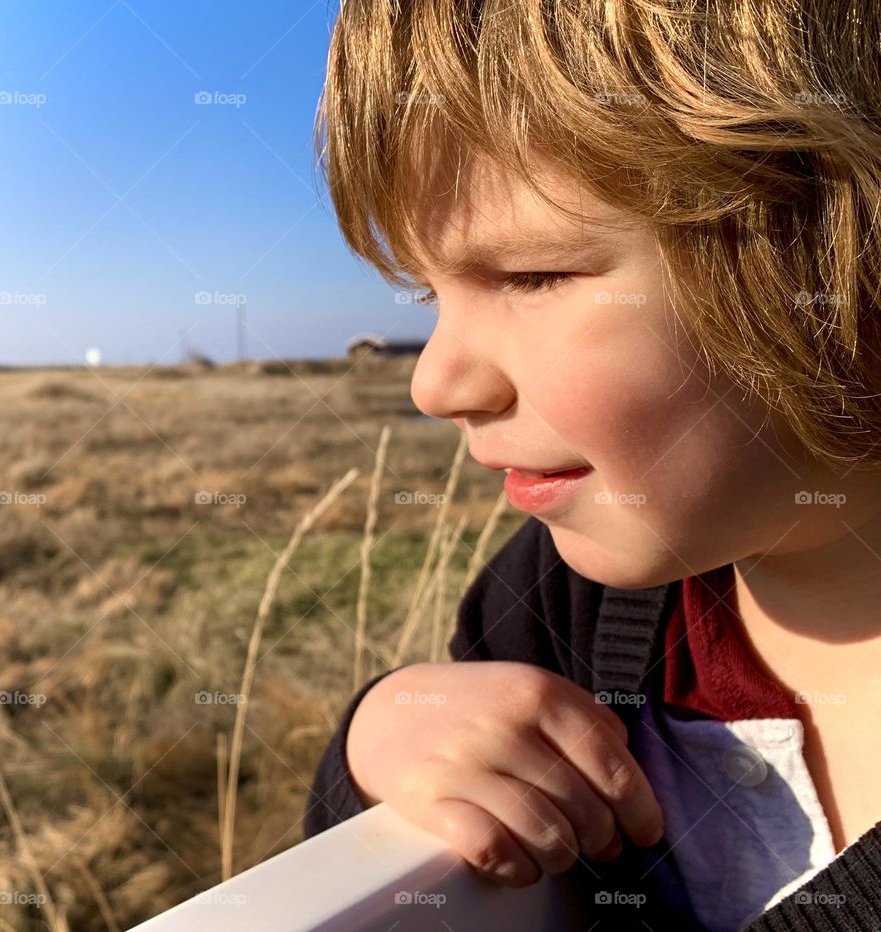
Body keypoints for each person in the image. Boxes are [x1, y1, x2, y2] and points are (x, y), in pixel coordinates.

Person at [304, 0, 881, 927]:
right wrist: (383, 742)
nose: (434, 384)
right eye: (428, 295)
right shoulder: (561, 608)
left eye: (531, 276)